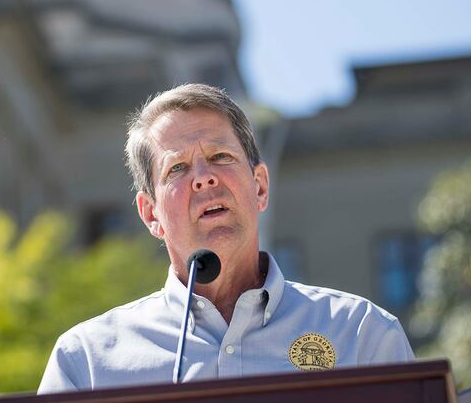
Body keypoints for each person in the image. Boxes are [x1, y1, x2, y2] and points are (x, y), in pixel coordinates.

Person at [37, 84, 414, 393]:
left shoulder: (361, 334)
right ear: (151, 214)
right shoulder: (86, 361)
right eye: (178, 168)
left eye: (220, 156)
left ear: (260, 187)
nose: (204, 177)